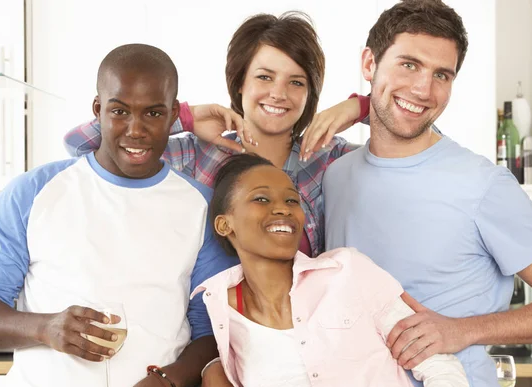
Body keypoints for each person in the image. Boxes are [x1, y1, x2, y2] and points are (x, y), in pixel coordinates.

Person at [0, 44, 236, 387]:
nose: (135, 130)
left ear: (172, 117)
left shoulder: (202, 206)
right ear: (98, 109)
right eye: (120, 111)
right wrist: (46, 328)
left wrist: (167, 380)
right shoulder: (33, 192)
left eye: (153, 113)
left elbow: (213, 332)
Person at [323, 1, 532, 387]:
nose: (424, 89)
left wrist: (462, 329)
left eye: (442, 74)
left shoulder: (483, 185)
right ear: (369, 63)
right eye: (409, 64)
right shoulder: (336, 177)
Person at [63, 11, 371, 259]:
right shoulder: (198, 154)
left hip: (300, 326)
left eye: (296, 82)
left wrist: (358, 107)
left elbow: (405, 145)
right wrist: (183, 116)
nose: (279, 94)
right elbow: (81, 145)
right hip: (204, 325)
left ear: (310, 93)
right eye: (264, 77)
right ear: (240, 83)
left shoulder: (329, 158)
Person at [192, 153, 469, 387]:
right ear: (224, 224)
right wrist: (209, 367)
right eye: (261, 199)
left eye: (292, 199)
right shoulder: (220, 309)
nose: (283, 208)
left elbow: (441, 369)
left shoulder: (348, 271)